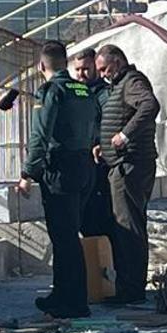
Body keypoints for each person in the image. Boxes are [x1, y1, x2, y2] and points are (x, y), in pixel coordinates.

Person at [18, 41, 98, 319]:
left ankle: (74, 301)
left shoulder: (52, 92)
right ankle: (61, 294)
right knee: (69, 233)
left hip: (61, 169)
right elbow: (95, 125)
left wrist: (28, 172)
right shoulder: (82, 89)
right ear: (66, 63)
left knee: (64, 238)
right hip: (84, 166)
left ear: (41, 66)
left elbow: (40, 135)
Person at [93, 44, 160, 305]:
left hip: (130, 165)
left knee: (128, 227)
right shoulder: (119, 85)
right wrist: (106, 144)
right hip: (125, 163)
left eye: (105, 68)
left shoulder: (131, 82)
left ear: (118, 62)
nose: (102, 75)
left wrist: (124, 135)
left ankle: (131, 289)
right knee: (128, 225)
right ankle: (130, 286)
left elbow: (149, 105)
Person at [71, 48, 112, 238]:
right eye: (77, 70)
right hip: (80, 162)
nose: (81, 75)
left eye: (86, 69)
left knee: (98, 216)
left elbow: (110, 121)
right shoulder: (76, 91)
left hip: (98, 163)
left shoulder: (103, 94)